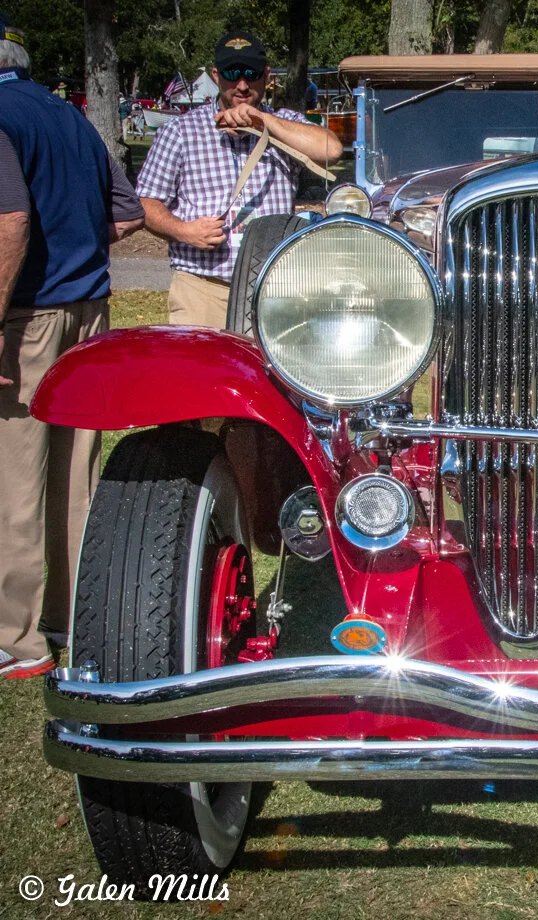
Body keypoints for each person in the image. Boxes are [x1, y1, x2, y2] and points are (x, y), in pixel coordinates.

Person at [0, 13, 145, 679]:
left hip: (25, 317)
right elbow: (126, 213)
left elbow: (10, 221)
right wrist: (76, 253)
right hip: (89, 310)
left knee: (14, 482)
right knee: (77, 478)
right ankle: (74, 617)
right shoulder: (68, 116)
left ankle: (17, 639)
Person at [136, 30, 341, 327]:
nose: (242, 85)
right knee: (201, 374)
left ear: (267, 75)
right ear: (216, 75)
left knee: (265, 376)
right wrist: (183, 231)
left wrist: (263, 121)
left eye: (252, 73)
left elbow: (331, 149)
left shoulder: (284, 124)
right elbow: (145, 202)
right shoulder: (180, 132)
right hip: (202, 287)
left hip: (273, 290)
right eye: (232, 73)